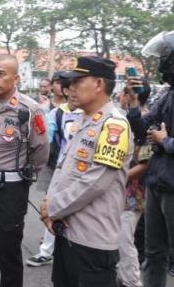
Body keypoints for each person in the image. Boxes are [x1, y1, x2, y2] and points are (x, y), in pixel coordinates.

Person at [42, 56, 133, 287]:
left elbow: (95, 182)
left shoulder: (114, 125)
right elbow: (64, 170)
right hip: (68, 232)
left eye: (77, 81)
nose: (70, 88)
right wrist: (50, 205)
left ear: (99, 84)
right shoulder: (82, 120)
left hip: (93, 240)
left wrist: (52, 208)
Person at [0, 54, 49, 287]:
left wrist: (24, 177)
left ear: (16, 78)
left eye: (1, 74)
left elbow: (41, 149)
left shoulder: (28, 109)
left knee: (8, 249)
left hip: (10, 188)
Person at [126, 31, 174, 287]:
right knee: (153, 252)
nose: (161, 62)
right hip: (156, 183)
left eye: (165, 57)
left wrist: (166, 142)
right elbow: (141, 128)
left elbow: (159, 138)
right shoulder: (167, 94)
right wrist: (133, 103)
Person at [27, 76, 82, 268]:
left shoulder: (93, 115)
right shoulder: (57, 114)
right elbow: (45, 139)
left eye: (79, 87)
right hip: (60, 171)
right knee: (52, 208)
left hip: (82, 174)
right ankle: (46, 251)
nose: (76, 93)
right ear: (66, 91)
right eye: (72, 88)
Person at [117, 83, 152, 287]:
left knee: (124, 240)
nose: (122, 96)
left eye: (126, 93)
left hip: (133, 193)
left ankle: (132, 281)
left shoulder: (147, 124)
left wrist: (117, 178)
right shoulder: (122, 119)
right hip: (119, 191)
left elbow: (144, 165)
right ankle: (122, 277)